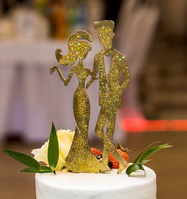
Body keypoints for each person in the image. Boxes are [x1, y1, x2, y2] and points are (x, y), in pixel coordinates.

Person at [50, 30, 101, 173]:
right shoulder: (79, 69)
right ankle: (79, 156)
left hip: (81, 95)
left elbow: (93, 77)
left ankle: (83, 155)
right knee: (81, 125)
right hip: (80, 95)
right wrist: (57, 69)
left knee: (84, 125)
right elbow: (67, 82)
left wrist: (92, 78)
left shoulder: (80, 69)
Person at [87, 20, 130, 171]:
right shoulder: (99, 56)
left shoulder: (118, 57)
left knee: (109, 131)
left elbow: (126, 78)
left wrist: (118, 90)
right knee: (99, 130)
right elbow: (94, 75)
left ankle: (110, 160)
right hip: (102, 97)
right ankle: (114, 158)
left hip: (111, 98)